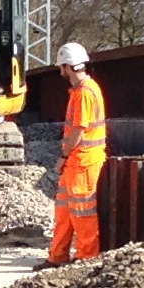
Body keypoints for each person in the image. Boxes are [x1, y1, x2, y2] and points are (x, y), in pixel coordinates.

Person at [50, 39, 107, 266]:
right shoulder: (80, 91)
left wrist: (63, 156)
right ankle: (57, 257)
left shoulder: (83, 93)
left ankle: (86, 257)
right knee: (64, 211)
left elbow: (78, 131)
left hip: (83, 161)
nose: (60, 71)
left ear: (67, 66)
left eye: (61, 66)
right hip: (76, 161)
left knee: (83, 211)